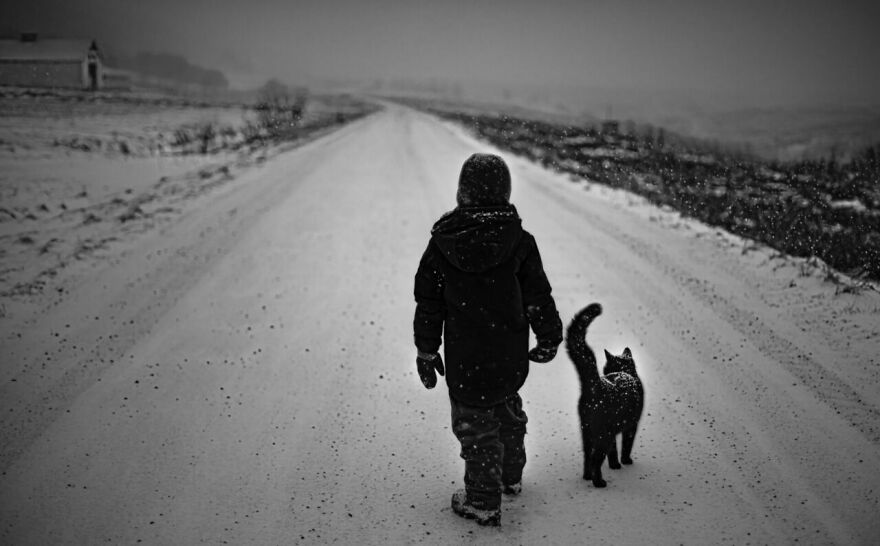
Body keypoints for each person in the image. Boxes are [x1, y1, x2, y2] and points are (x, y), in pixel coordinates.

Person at [412, 153, 563, 526]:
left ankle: (482, 499)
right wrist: (548, 337)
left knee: (476, 428)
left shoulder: (443, 244)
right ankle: (510, 477)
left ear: (463, 193)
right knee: (508, 414)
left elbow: (428, 305)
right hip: (509, 355)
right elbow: (538, 297)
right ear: (505, 192)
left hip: (466, 359)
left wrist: (427, 350)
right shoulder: (520, 241)